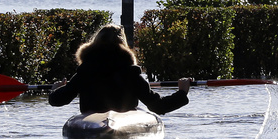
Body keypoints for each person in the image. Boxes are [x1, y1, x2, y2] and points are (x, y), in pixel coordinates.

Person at [48, 24, 191, 115]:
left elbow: (58, 100)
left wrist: (55, 90)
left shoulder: (85, 72)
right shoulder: (130, 74)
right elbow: (158, 106)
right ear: (123, 45)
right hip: (123, 118)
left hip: (94, 120)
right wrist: (182, 92)